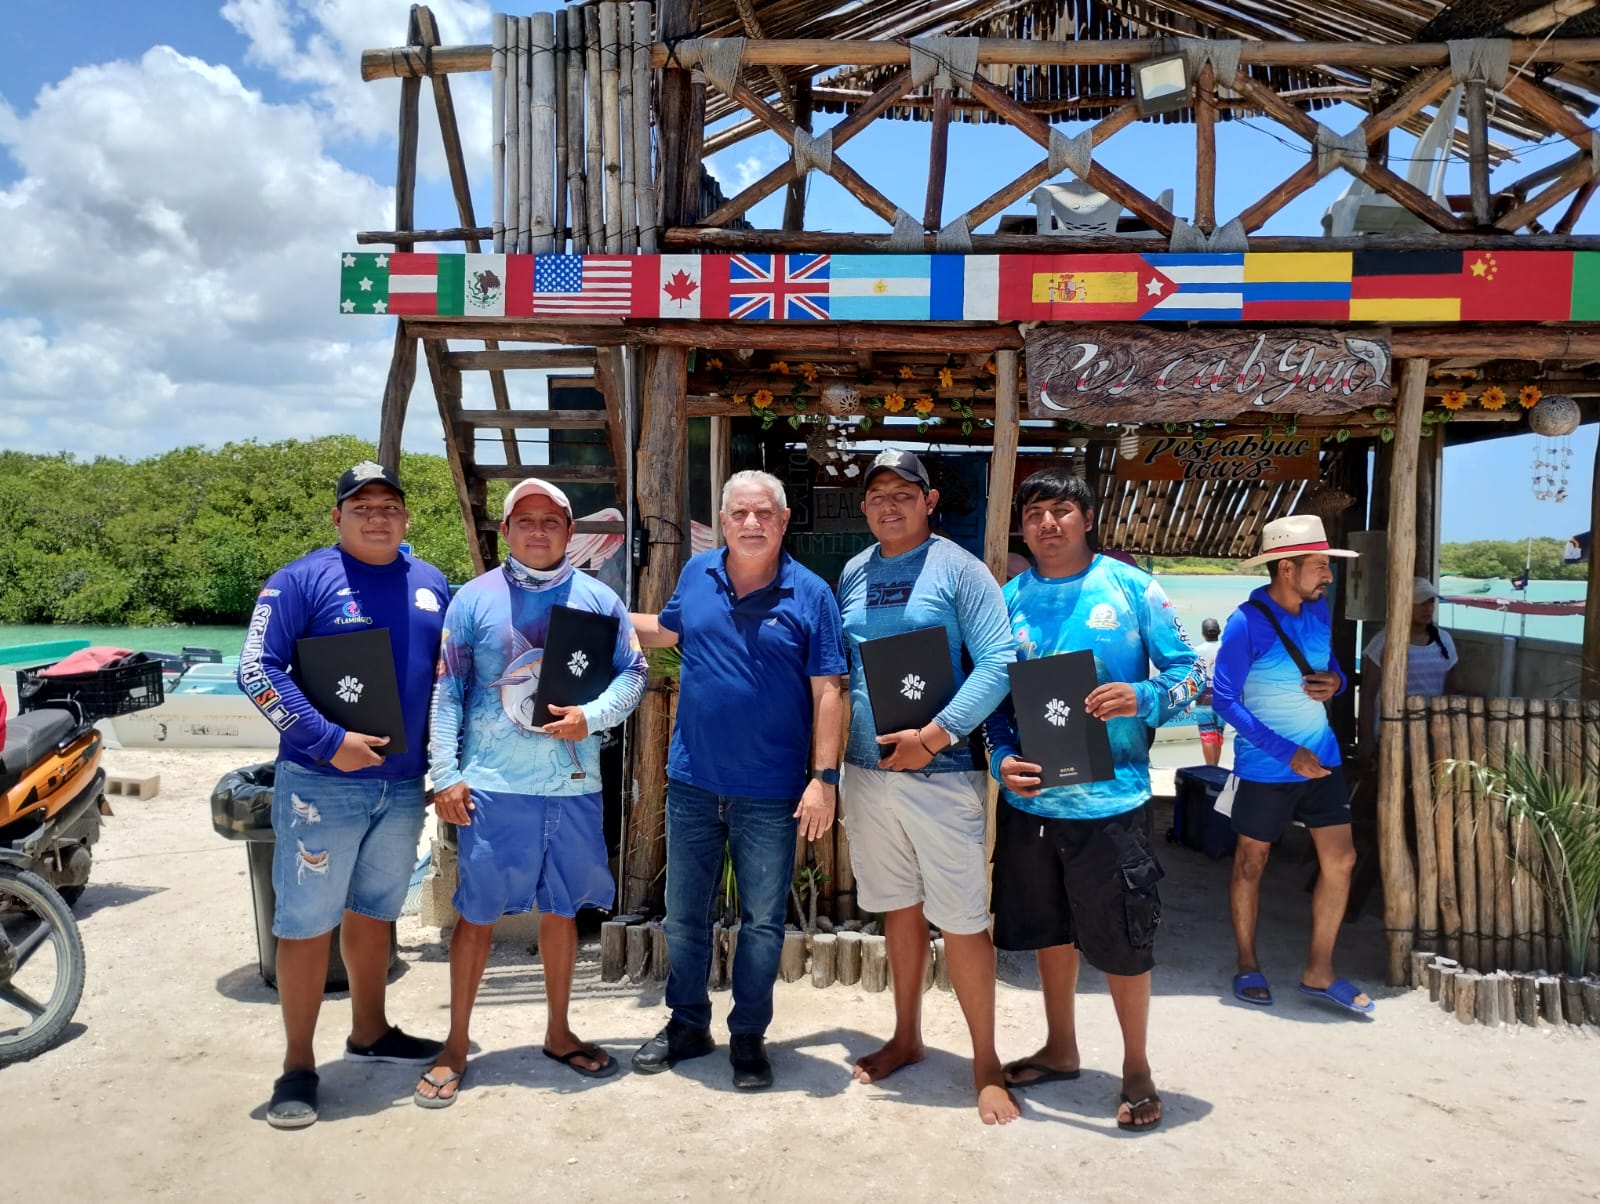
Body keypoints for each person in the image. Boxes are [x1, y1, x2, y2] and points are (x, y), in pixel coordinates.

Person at [985, 469, 1203, 1133]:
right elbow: (994, 700)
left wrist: (1144, 696)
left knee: (1124, 940)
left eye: (1061, 510)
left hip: (1113, 804)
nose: (1047, 523)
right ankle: (1061, 1047)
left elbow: (1193, 673)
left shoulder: (1132, 588)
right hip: (1032, 807)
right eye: (1034, 513)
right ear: (1021, 527)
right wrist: (1000, 760)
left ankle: (1136, 1067)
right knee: (1049, 931)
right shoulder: (1007, 599)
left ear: (1086, 518)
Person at [416, 478, 646, 1106]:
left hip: (573, 784)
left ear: (570, 531)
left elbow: (633, 674)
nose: (538, 530)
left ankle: (558, 1031)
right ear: (506, 531)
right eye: (525, 519)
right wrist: (445, 774)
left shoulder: (600, 600)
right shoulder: (473, 600)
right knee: (476, 913)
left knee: (562, 909)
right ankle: (455, 1044)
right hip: (492, 785)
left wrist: (592, 717)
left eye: (551, 520)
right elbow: (447, 691)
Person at [238, 461, 450, 1130]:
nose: (377, 517)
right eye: (362, 507)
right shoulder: (299, 580)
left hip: (403, 785)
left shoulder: (432, 583)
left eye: (389, 506)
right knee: (305, 923)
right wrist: (329, 740)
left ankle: (371, 1030)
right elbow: (256, 670)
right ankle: (297, 1065)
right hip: (320, 783)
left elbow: (450, 676)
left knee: (375, 912)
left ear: (406, 516)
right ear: (337, 517)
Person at [628, 470, 846, 1090]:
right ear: (723, 521)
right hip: (693, 781)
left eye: (764, 513)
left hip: (770, 791)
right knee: (683, 915)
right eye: (740, 513)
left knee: (762, 922)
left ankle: (748, 1034)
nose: (752, 523)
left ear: (783, 521)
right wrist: (589, 611)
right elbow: (667, 629)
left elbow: (829, 690)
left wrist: (823, 780)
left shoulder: (811, 594)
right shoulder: (698, 573)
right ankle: (687, 1023)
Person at [835, 450, 1019, 1126]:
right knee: (898, 908)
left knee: (964, 919)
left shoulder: (961, 570)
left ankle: (986, 1064)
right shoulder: (853, 571)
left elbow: (999, 661)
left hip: (942, 772)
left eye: (904, 494)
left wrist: (935, 737)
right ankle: (906, 1037)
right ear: (864, 506)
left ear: (929, 501)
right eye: (878, 495)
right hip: (866, 771)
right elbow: (842, 667)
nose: (891, 506)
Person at [1212, 514, 1374, 1016]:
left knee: (1342, 860)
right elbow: (1223, 700)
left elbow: (1331, 666)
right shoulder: (1245, 623)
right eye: (1320, 565)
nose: (1328, 575)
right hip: (1266, 768)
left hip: (1322, 759)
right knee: (1251, 862)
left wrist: (1337, 683)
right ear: (1287, 568)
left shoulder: (1319, 610)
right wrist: (1287, 753)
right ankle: (1247, 962)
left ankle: (1319, 970)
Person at [1362, 577, 1458, 751]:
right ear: (1404, 604)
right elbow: (1368, 693)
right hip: (1392, 730)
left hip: (1432, 730)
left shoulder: (1444, 641)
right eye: (1420, 602)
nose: (1427, 608)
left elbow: (1448, 690)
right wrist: (1366, 739)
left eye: (1430, 602)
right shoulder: (1383, 641)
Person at [1189, 617, 1227, 767]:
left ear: (1203, 633)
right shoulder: (1227, 648)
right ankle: (1215, 768)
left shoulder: (1197, 651)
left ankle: (1209, 768)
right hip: (1224, 699)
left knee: (1207, 735)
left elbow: (1192, 677)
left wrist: (1186, 699)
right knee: (1218, 735)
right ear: (1219, 631)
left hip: (1203, 699)